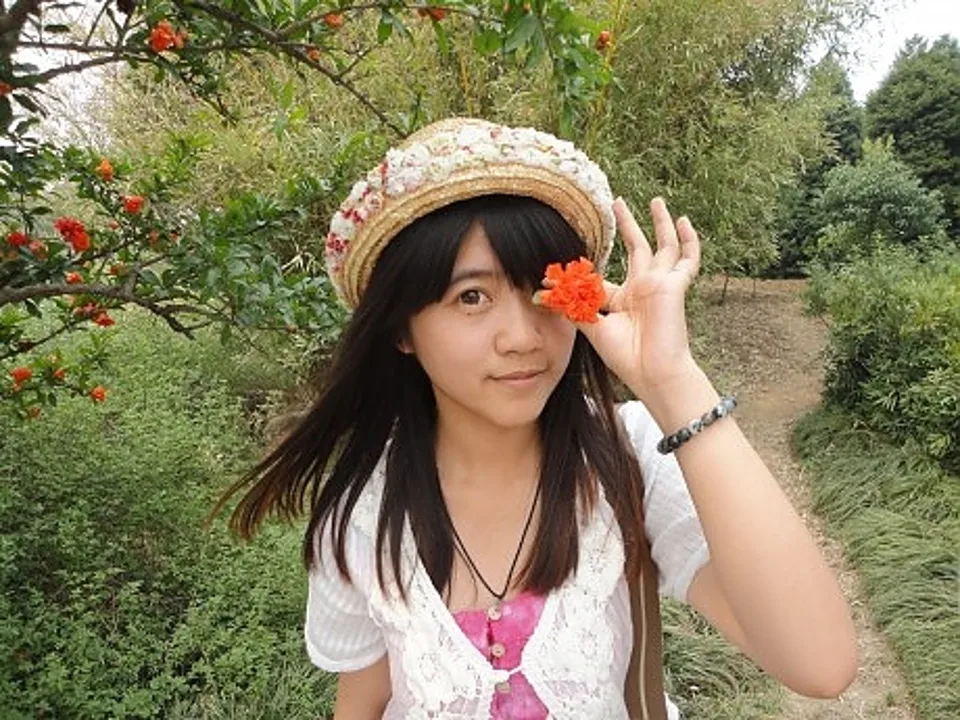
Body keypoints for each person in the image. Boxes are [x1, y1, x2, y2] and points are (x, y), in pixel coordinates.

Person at [219, 118, 857, 719]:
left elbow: (820, 664)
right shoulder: (362, 515)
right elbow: (361, 705)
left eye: (542, 291)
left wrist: (672, 381)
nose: (523, 337)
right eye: (472, 296)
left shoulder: (628, 458)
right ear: (402, 330)